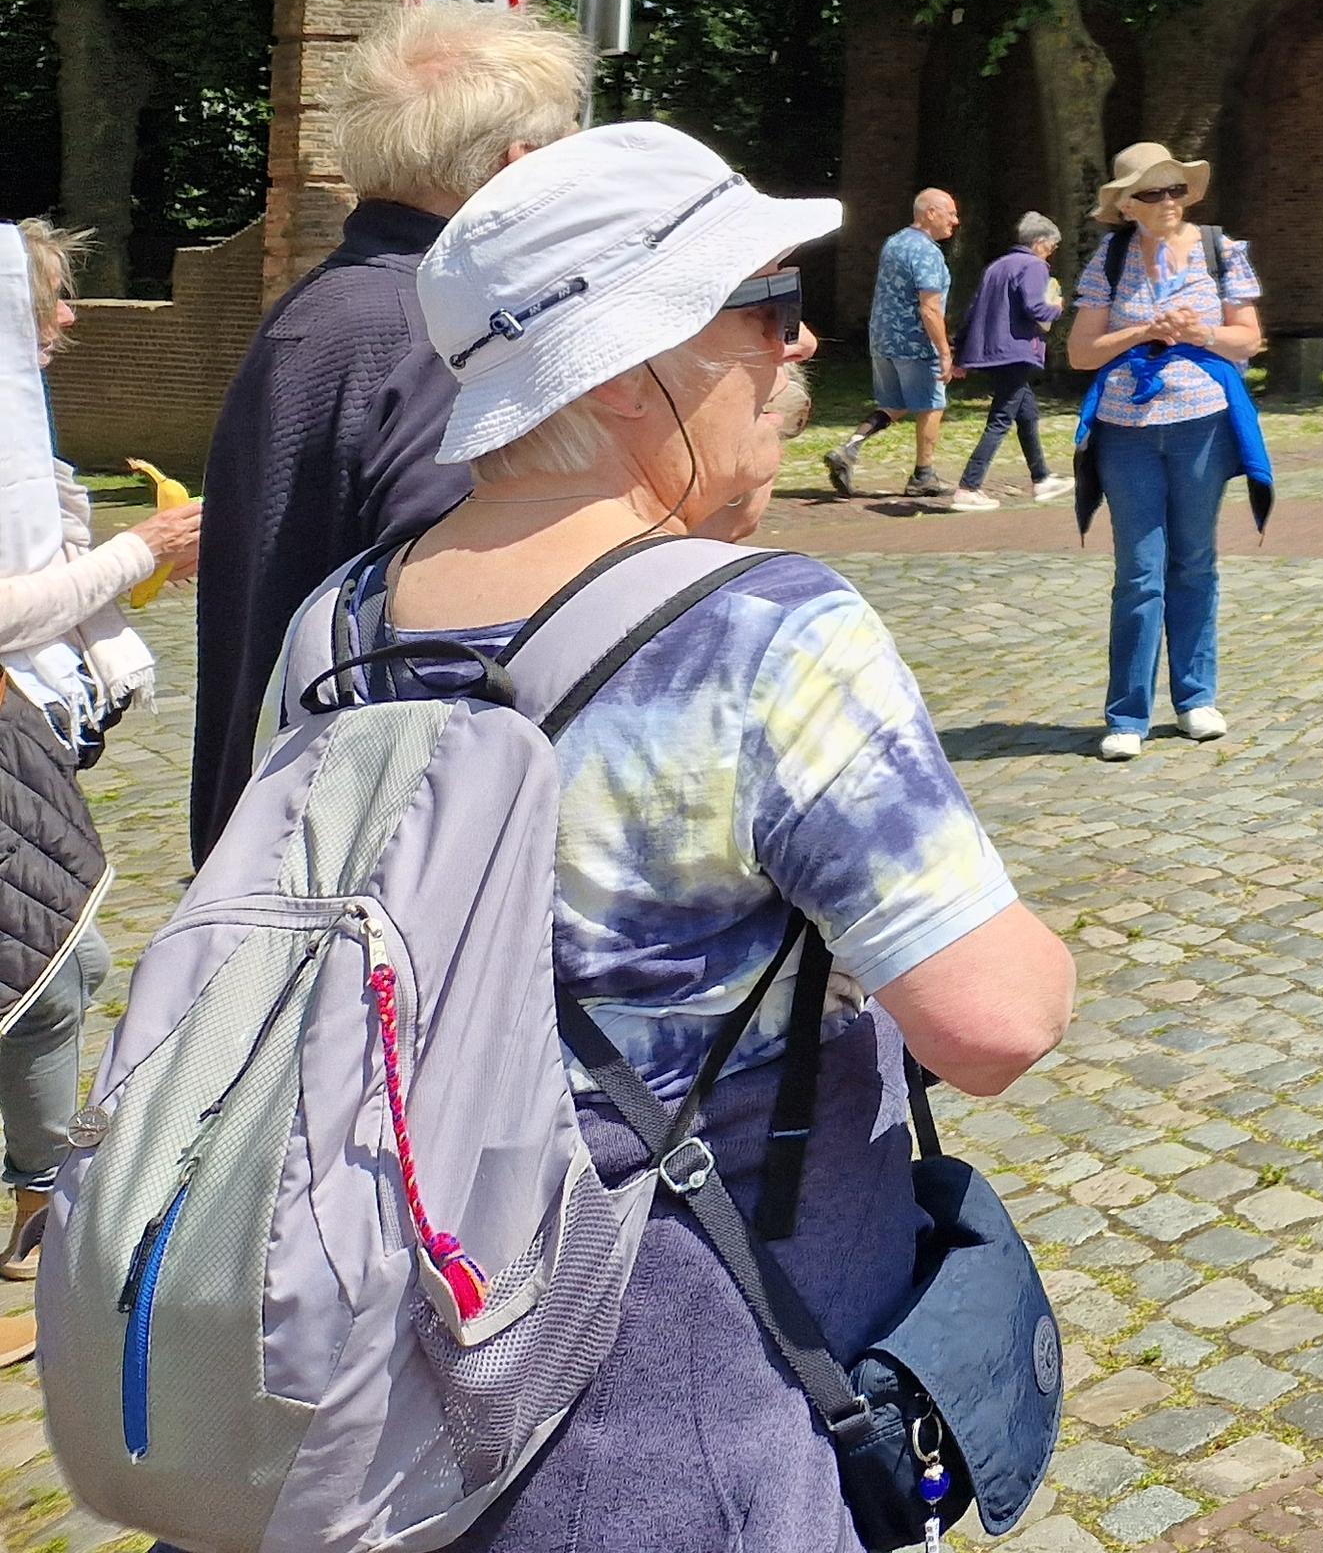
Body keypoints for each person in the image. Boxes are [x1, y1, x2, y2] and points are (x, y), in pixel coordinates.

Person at [316, 121, 1073, 1548]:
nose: (801, 351)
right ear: (631, 361)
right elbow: (995, 1021)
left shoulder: (340, 616)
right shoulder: (762, 630)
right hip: (696, 1391)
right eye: (769, 311)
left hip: (413, 1367)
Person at [189, 4, 586, 862]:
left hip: (269, 824)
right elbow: (469, 644)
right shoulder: (442, 340)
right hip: (366, 868)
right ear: (519, 170)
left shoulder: (329, 305)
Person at [0, 221, 198, 1362]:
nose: (71, 317)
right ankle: (39, 1199)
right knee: (50, 968)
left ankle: (38, 1194)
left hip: (23, 727)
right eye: (52, 299)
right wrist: (134, 555)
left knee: (55, 961)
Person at [1066, 143, 1266, 761]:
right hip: (1126, 430)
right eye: (1152, 193)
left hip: (1201, 424)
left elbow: (1249, 339)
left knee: (1195, 562)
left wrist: (1201, 332)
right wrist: (1144, 330)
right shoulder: (1111, 256)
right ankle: (1126, 715)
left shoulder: (1221, 251)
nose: (1168, 202)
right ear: (1126, 205)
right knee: (1139, 571)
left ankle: (1194, 698)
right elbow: (1080, 352)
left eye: (1175, 189)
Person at [828, 187, 959, 499]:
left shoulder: (895, 242)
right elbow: (929, 307)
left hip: (883, 339)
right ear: (930, 213)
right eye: (950, 213)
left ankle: (847, 450)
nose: (955, 221)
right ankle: (923, 475)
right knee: (932, 404)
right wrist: (944, 352)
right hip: (914, 342)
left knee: (895, 404)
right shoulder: (926, 251)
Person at [950, 211, 1070, 512]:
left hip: (993, 352)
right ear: (1040, 243)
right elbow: (1036, 308)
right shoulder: (1034, 266)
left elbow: (972, 309)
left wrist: (958, 351)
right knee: (1001, 419)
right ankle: (968, 486)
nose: (1052, 253)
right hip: (1017, 351)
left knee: (1026, 414)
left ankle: (1041, 478)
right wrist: (1056, 308)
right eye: (1052, 247)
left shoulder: (997, 266)